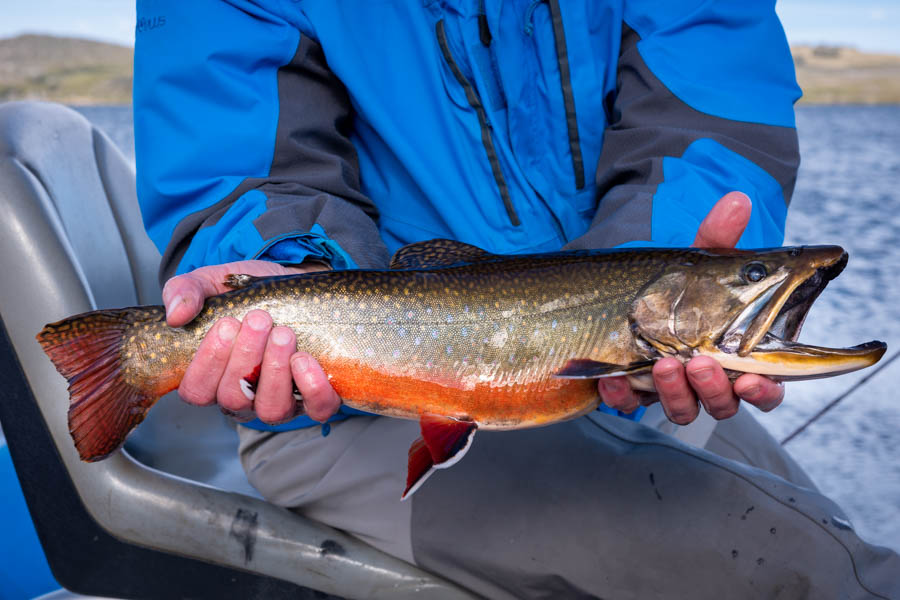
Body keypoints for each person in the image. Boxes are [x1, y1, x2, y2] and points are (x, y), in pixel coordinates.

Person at [133, 1, 899, 597]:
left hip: (630, 386)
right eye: (752, 279)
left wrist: (671, 253)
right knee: (827, 576)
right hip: (342, 417)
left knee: (819, 531)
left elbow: (711, 91)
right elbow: (233, 159)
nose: (765, 285)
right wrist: (277, 265)